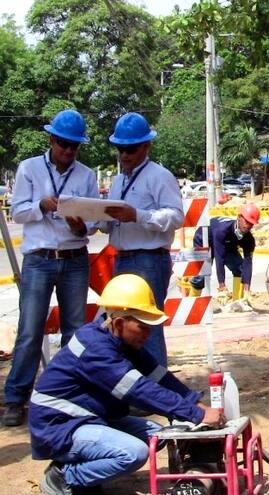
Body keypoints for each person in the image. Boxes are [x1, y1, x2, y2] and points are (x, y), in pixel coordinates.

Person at [29, 274, 224, 495]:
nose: (148, 333)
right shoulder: (96, 349)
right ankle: (64, 477)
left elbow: (159, 377)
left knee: (159, 435)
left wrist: (196, 405)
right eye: (142, 326)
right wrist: (195, 414)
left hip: (88, 419)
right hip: (59, 426)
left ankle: (81, 470)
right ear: (120, 322)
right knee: (134, 453)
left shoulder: (120, 339)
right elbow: (139, 390)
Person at [3, 109, 99, 427]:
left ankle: (71, 393)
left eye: (74, 146)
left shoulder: (85, 175)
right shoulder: (30, 169)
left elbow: (93, 222)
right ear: (51, 140)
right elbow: (17, 212)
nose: (68, 151)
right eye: (63, 145)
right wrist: (40, 206)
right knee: (30, 331)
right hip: (39, 259)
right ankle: (16, 398)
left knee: (75, 332)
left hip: (74, 258)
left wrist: (79, 225)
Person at [101, 112, 183, 367]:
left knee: (146, 325)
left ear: (146, 146)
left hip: (148, 259)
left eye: (130, 149)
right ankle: (135, 387)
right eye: (120, 149)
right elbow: (107, 223)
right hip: (122, 259)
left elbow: (175, 216)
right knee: (122, 328)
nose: (124, 155)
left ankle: (156, 388)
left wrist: (137, 215)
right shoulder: (117, 181)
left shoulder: (159, 176)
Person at [189, 204, 260, 300]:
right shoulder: (222, 230)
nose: (248, 226)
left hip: (227, 243)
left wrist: (247, 290)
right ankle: (191, 302)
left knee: (240, 269)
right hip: (203, 239)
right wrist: (222, 286)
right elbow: (219, 258)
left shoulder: (249, 239)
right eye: (247, 221)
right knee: (202, 277)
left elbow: (248, 263)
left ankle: (237, 302)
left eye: (251, 224)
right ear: (239, 217)